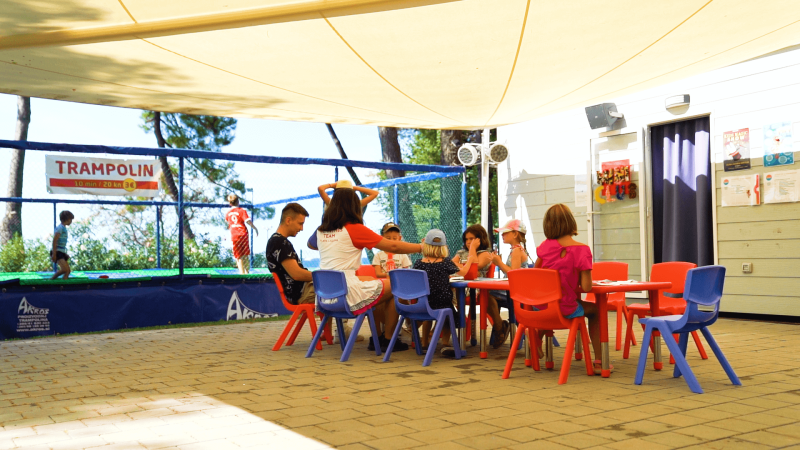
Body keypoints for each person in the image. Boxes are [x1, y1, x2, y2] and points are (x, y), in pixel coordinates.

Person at [315, 183, 422, 352]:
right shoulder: (355, 229)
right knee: (396, 285)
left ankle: (377, 338)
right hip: (347, 294)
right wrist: (423, 248)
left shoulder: (321, 231)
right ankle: (388, 339)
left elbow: (311, 245)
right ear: (354, 206)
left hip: (325, 296)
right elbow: (393, 246)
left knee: (375, 286)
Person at [534, 203, 603, 373]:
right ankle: (600, 361)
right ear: (571, 222)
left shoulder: (544, 248)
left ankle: (536, 335)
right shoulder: (582, 250)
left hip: (542, 306)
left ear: (547, 225)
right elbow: (586, 287)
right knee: (595, 310)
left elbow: (536, 274)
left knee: (555, 303)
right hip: (564, 308)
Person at [412, 229, 476, 356]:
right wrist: (469, 260)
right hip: (442, 303)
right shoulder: (445, 262)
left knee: (428, 317)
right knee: (448, 314)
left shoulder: (419, 263)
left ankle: (424, 344)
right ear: (444, 247)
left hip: (423, 304)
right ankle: (445, 344)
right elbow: (462, 273)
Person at [451, 224, 509, 348]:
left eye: (472, 239)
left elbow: (474, 267)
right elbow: (451, 265)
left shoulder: (486, 254)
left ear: (480, 239)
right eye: (466, 239)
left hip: (477, 289)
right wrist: (464, 267)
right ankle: (453, 327)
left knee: (484, 295)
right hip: (460, 286)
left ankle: (498, 327)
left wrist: (471, 251)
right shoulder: (461, 252)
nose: (468, 242)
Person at [266, 203, 316, 306]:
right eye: (300, 223)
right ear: (288, 220)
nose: (301, 228)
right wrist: (321, 277)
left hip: (302, 291)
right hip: (302, 293)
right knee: (338, 288)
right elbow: (296, 274)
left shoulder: (277, 241)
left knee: (336, 287)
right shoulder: (279, 242)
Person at [489, 219, 532, 333]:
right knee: (488, 295)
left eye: (505, 232)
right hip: (517, 291)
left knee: (487, 295)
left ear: (515, 234)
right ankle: (500, 327)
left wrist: (499, 263)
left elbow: (513, 274)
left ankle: (500, 328)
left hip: (517, 293)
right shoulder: (516, 250)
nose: (502, 235)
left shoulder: (517, 251)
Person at [226, 194, 258, 274]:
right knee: (245, 254)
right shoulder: (242, 211)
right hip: (243, 234)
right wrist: (255, 228)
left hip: (234, 235)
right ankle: (247, 272)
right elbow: (248, 221)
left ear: (230, 203)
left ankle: (242, 273)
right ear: (238, 201)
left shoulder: (228, 213)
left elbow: (228, 223)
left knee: (238, 256)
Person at [51, 210, 74, 280]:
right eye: (71, 220)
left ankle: (63, 283)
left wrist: (64, 254)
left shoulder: (63, 228)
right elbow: (55, 241)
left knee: (68, 271)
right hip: (57, 251)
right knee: (65, 270)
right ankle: (51, 280)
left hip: (61, 251)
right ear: (67, 219)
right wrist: (54, 254)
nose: (71, 221)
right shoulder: (60, 228)